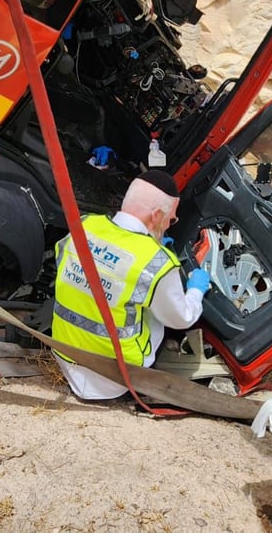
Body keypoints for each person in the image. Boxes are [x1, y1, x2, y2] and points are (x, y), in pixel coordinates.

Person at [51, 169, 211, 399]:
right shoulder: (158, 264)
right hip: (113, 378)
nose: (169, 224)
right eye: (171, 218)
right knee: (155, 304)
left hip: (65, 353)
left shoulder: (85, 225)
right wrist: (196, 289)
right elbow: (181, 318)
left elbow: (64, 262)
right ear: (156, 215)